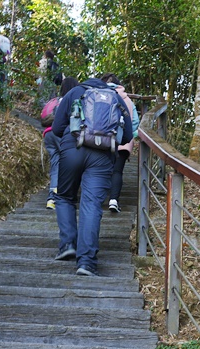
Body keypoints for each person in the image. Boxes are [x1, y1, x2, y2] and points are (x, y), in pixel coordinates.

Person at [51, 77, 133, 276]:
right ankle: (86, 262)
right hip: (103, 156)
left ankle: (68, 244)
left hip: (73, 147)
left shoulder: (74, 93)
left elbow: (55, 128)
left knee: (64, 196)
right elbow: (128, 135)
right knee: (91, 204)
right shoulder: (116, 97)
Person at [101, 73, 141, 213]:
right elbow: (135, 123)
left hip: (102, 141)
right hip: (123, 142)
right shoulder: (128, 100)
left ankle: (97, 199)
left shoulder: (100, 96)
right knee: (117, 171)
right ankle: (114, 200)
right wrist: (131, 136)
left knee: (102, 170)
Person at [41, 77, 79, 210]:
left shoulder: (56, 101)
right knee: (71, 164)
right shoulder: (73, 100)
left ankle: (51, 198)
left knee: (55, 164)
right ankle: (66, 196)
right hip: (62, 135)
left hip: (48, 134)